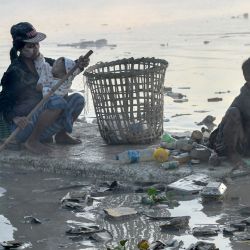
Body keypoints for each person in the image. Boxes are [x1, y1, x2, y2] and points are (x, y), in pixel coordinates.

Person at [0, 22, 90, 154]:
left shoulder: (45, 63)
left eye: (37, 44)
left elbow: (64, 70)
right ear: (20, 48)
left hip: (44, 125)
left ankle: (61, 135)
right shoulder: (15, 71)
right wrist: (15, 118)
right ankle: (32, 141)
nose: (36, 48)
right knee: (57, 102)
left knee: (78, 99)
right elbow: (3, 100)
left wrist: (79, 64)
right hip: (25, 126)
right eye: (30, 45)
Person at [209, 58, 250, 169]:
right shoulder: (244, 98)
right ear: (247, 78)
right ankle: (232, 155)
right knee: (233, 112)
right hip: (233, 143)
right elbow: (226, 126)